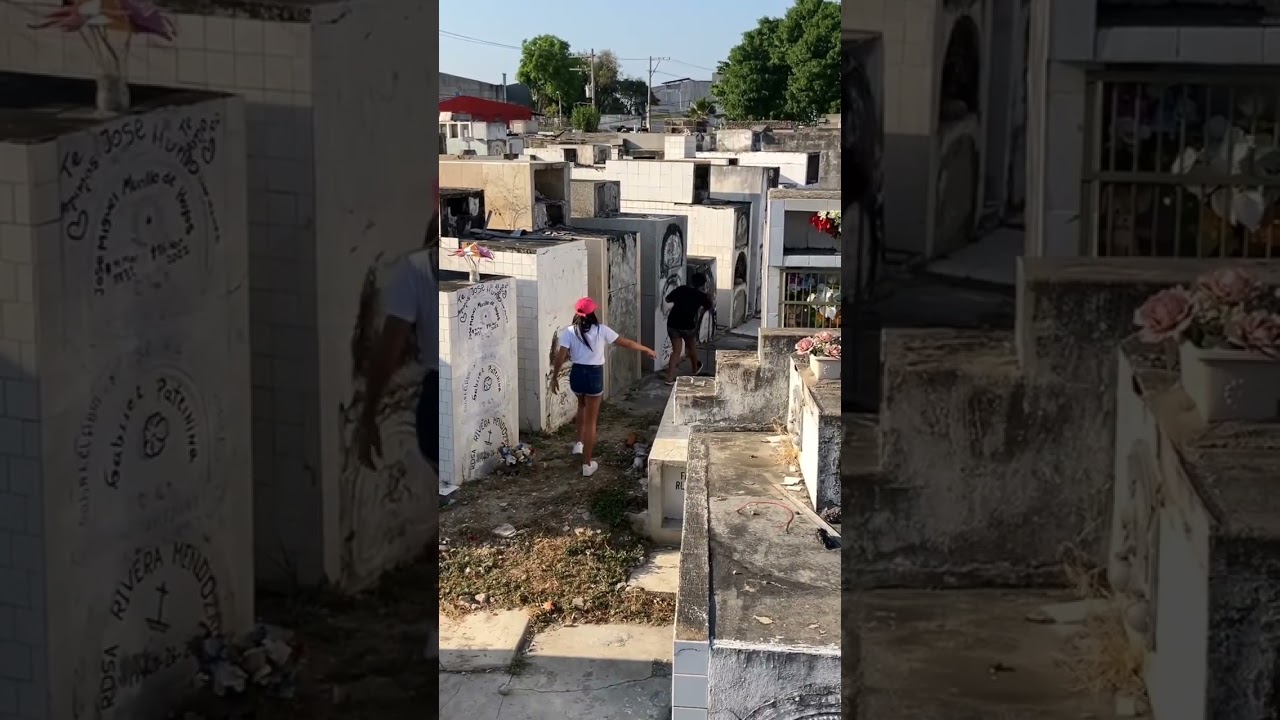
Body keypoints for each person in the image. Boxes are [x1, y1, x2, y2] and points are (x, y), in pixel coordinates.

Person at [551, 297, 655, 477]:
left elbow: (561, 356)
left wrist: (554, 377)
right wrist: (645, 349)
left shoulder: (568, 331)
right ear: (593, 312)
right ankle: (587, 464)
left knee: (581, 405)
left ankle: (578, 444)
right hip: (594, 375)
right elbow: (626, 343)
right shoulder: (601, 330)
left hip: (577, 373)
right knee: (592, 421)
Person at [664, 272, 716, 384]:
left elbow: (667, 299)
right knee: (692, 347)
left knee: (676, 351)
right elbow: (709, 306)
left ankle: (670, 378)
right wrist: (708, 296)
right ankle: (695, 370)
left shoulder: (681, 289)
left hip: (673, 323)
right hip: (687, 325)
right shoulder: (701, 296)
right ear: (703, 284)